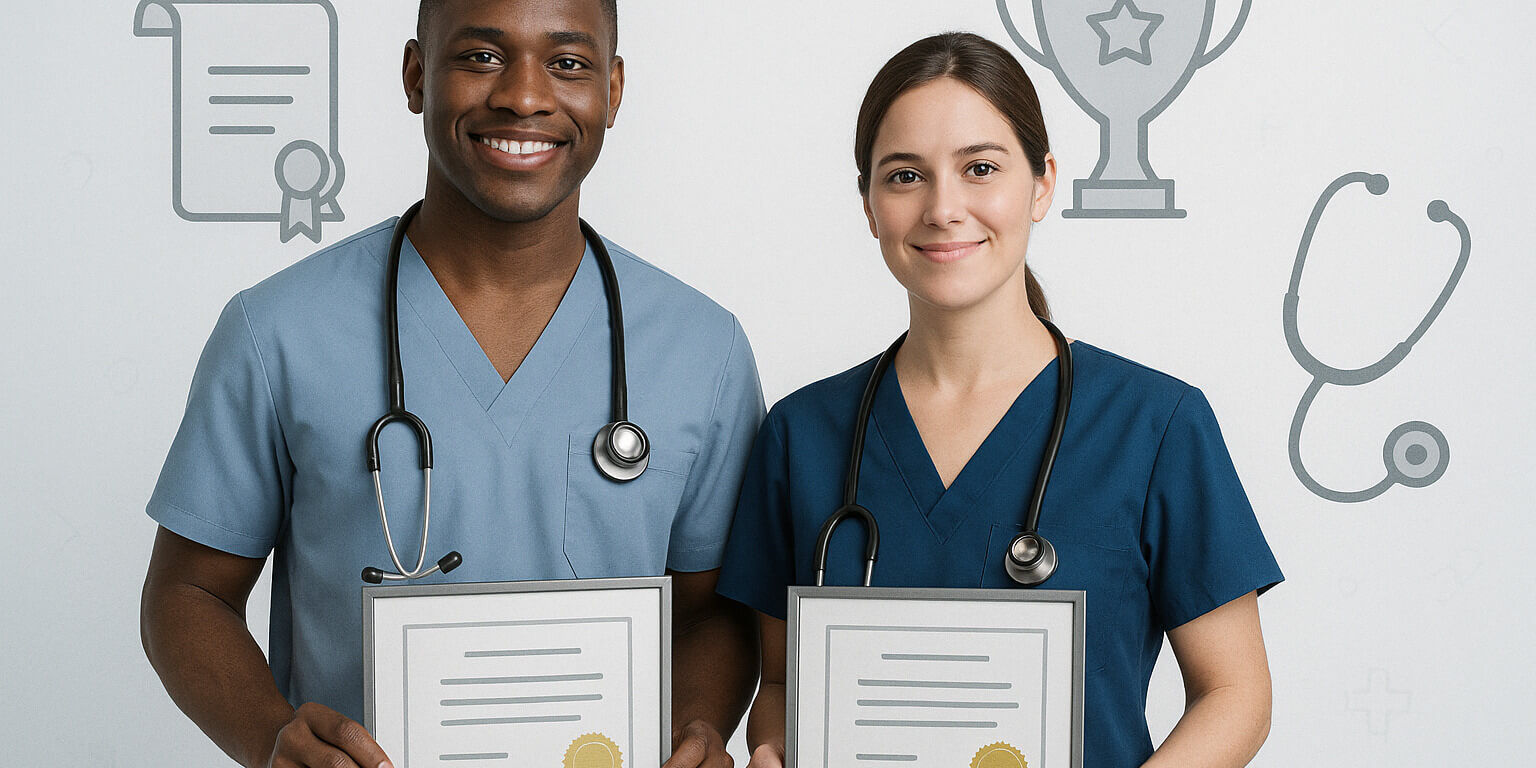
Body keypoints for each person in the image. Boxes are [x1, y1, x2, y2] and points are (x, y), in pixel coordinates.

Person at [139, 2, 760, 767]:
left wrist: (696, 727)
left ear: (614, 89)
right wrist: (271, 738)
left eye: (567, 63)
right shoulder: (278, 332)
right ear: (414, 76)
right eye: (482, 57)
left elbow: (713, 612)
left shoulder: (705, 350)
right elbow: (187, 594)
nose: (524, 96)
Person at [716, 32, 1282, 768]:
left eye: (980, 168)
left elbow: (1236, 694)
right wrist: (770, 745)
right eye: (904, 176)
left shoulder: (1156, 426)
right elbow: (783, 681)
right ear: (868, 204)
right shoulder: (802, 434)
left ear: (1043, 182)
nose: (944, 208)